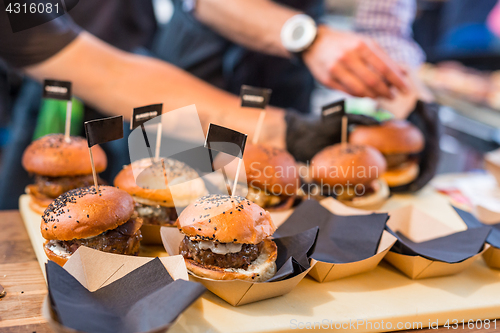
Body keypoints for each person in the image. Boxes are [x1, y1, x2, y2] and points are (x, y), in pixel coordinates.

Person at [0, 1, 436, 210]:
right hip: (197, 58)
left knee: (240, 205)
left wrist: (293, 131)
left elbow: (113, 75)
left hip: (139, 69)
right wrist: (305, 36)